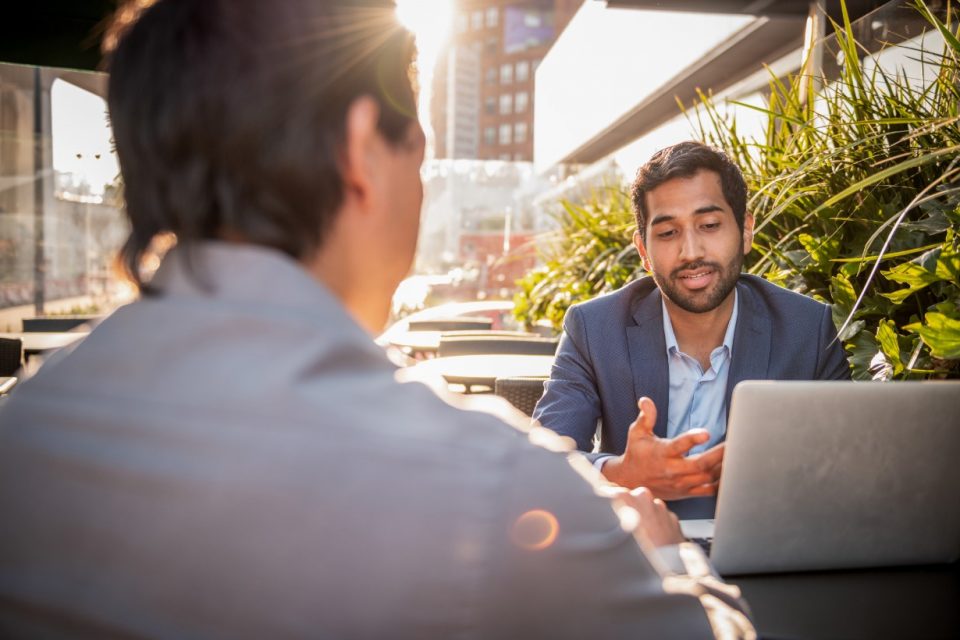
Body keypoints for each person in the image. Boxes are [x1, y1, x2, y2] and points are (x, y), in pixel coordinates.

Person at [0, 1, 754, 637]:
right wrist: (669, 558)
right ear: (364, 151)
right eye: (418, 155)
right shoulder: (491, 482)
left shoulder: (20, 436)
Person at [533, 141, 850, 520]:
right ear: (644, 251)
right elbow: (544, 458)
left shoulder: (807, 329)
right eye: (667, 233)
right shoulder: (594, 328)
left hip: (766, 549)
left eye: (710, 225)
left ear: (745, 230)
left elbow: (845, 466)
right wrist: (619, 475)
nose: (690, 252)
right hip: (641, 554)